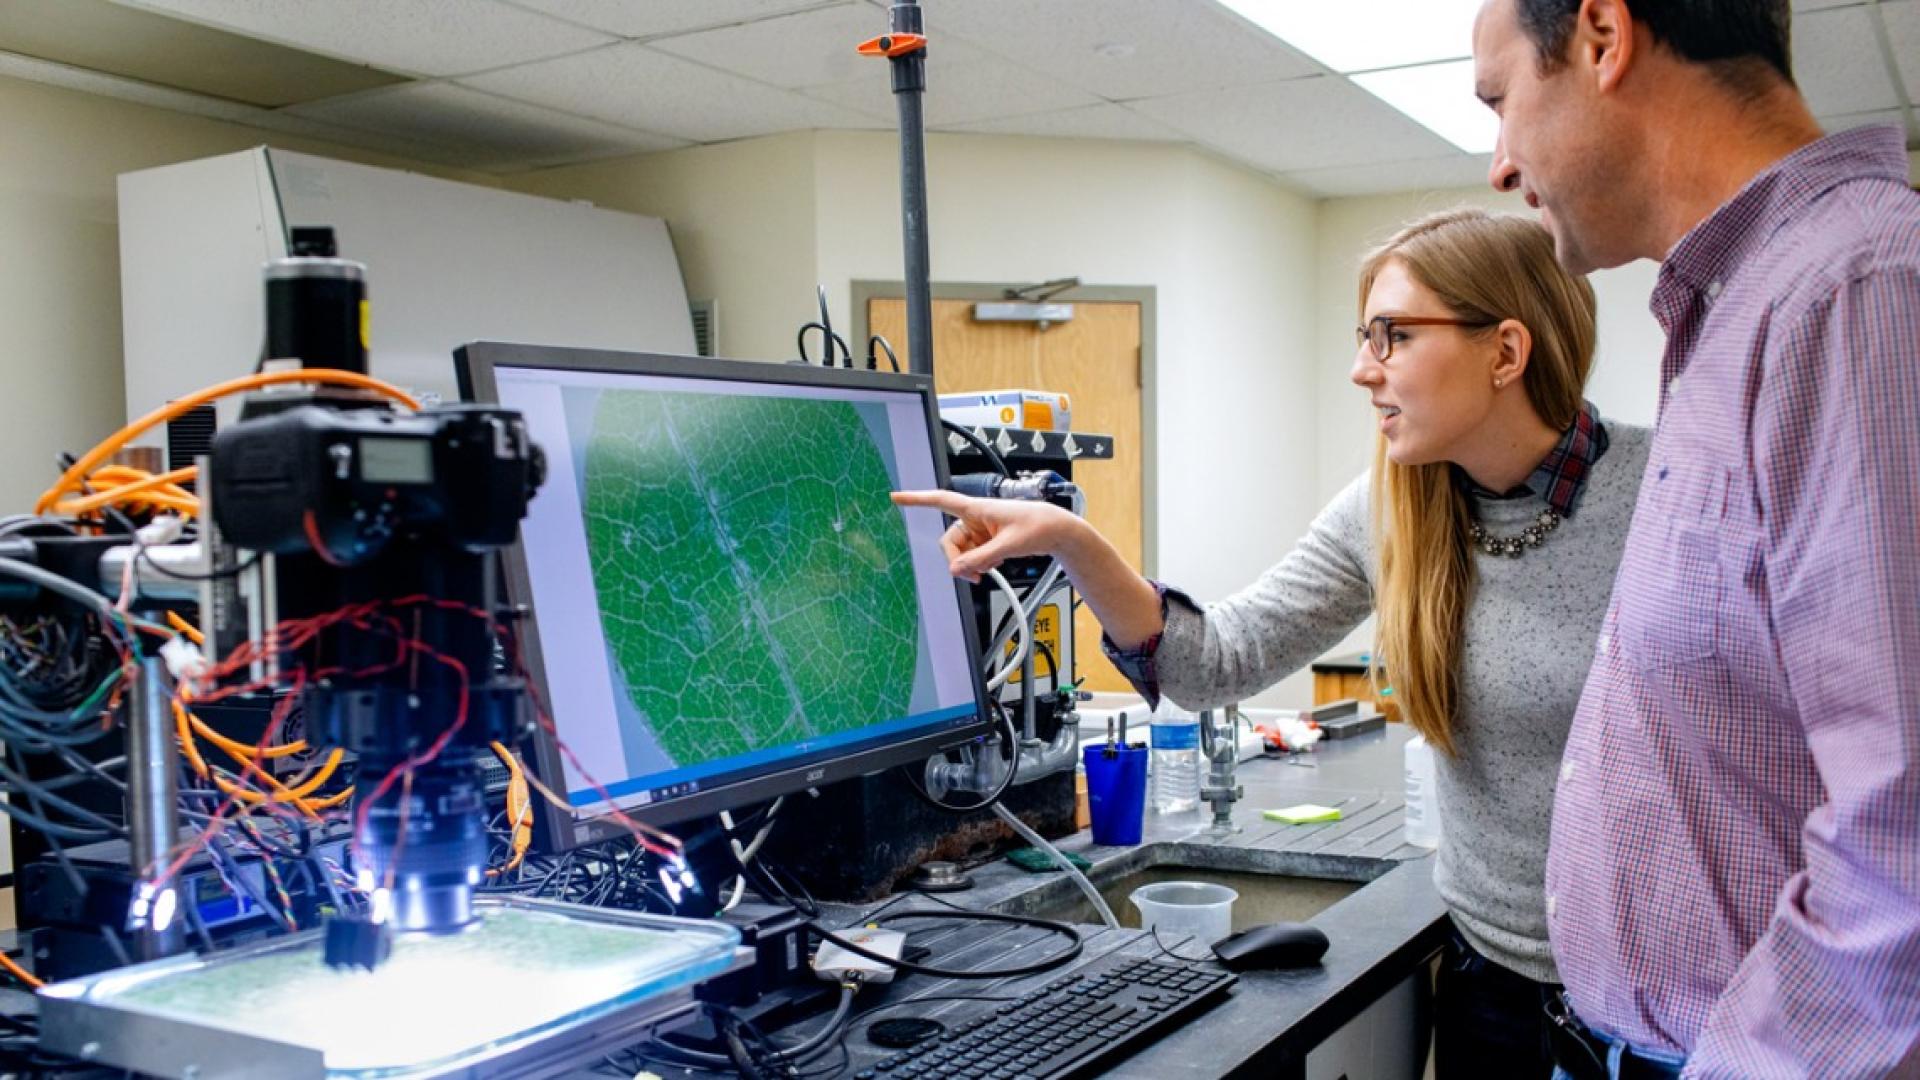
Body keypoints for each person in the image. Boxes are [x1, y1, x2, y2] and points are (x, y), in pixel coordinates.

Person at [896, 208, 1649, 1077]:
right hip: (1494, 992)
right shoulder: (1390, 511)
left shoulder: (1671, 495)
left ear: (1506, 352)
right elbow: (1212, 665)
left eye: (1393, 335)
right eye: (1365, 335)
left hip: (1668, 1008)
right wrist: (1072, 540)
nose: (1362, 368)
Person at [1470, 0, 1920, 1075]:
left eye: (1501, 103)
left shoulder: (1853, 291)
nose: (1499, 164)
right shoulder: (1735, 311)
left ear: (1602, 36)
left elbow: (1902, 839)